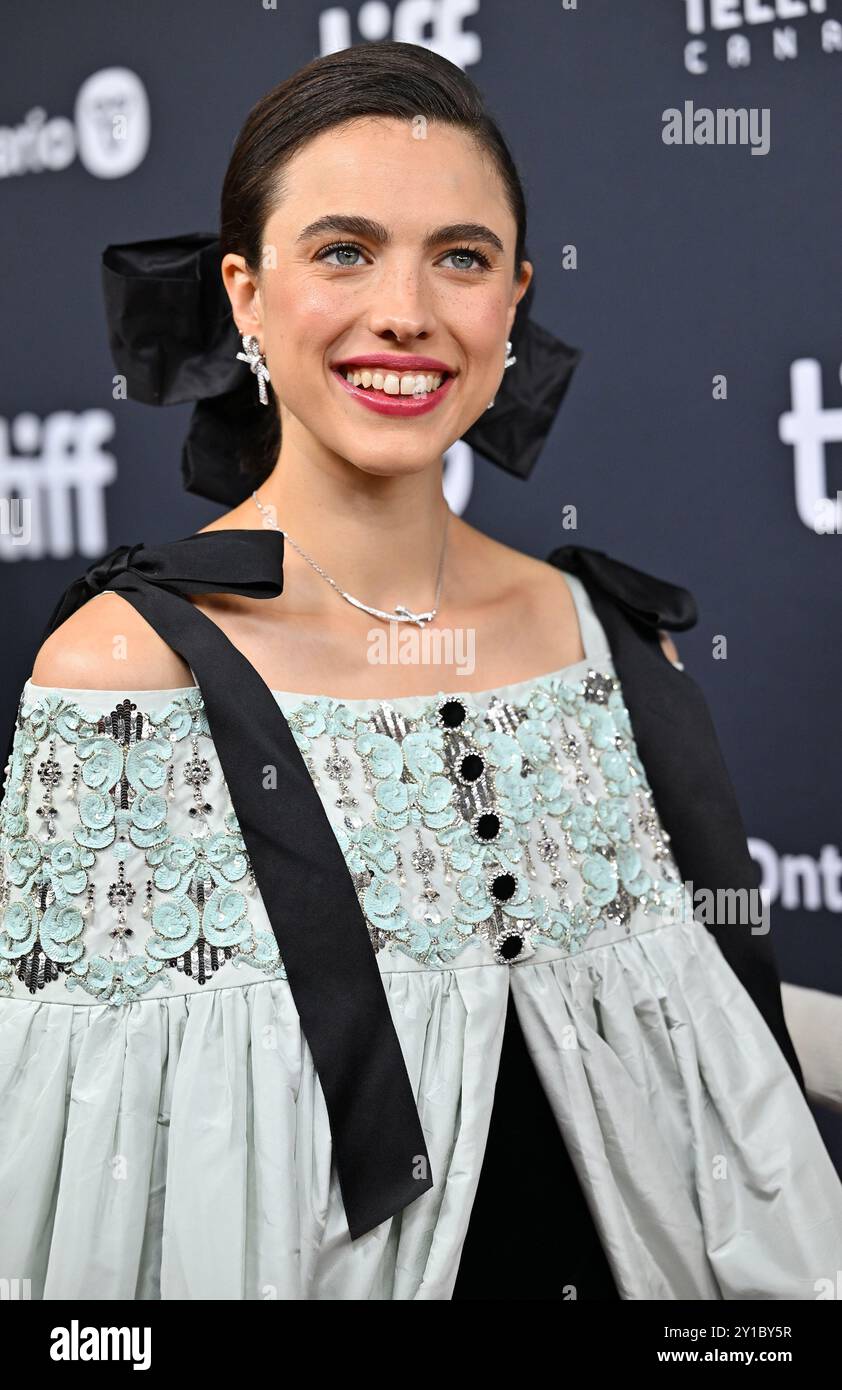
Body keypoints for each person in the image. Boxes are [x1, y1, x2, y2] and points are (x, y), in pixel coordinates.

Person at [2, 41, 841, 1302]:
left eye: (459, 256)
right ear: (243, 293)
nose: (406, 311)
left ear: (513, 298)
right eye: (342, 251)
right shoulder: (128, 673)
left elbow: (707, 1059)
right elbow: (80, 1186)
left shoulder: (607, 636)